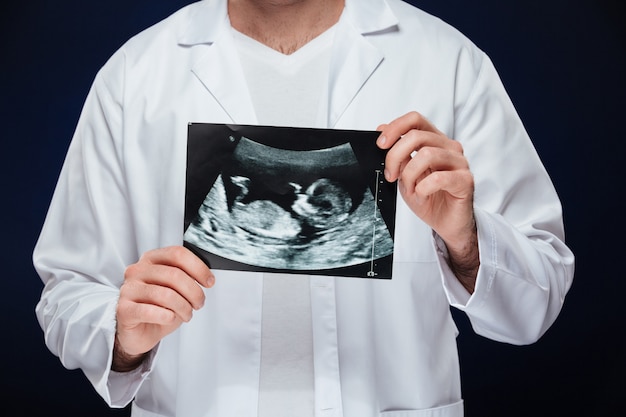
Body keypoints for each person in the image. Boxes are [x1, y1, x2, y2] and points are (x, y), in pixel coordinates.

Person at [33, 0, 575, 416]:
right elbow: (68, 290)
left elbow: (537, 301)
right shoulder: (136, 77)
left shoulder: (446, 63)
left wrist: (467, 241)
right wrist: (123, 334)